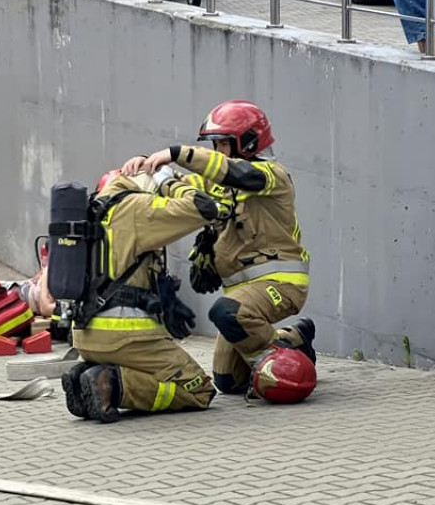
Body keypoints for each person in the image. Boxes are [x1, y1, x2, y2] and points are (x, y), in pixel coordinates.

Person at [123, 100, 317, 402]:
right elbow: (183, 186)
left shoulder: (271, 176)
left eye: (223, 144)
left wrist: (176, 153)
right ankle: (295, 338)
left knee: (224, 311)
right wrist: (150, 166)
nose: (217, 152)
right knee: (227, 380)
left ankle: (277, 365)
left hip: (281, 285)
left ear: (247, 143)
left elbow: (233, 173)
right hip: (242, 294)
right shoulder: (219, 182)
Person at [58, 169, 223, 423]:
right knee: (198, 388)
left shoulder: (94, 210)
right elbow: (203, 208)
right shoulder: (137, 206)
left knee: (144, 368)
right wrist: (167, 180)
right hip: (125, 337)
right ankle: (112, 384)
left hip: (85, 336)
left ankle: (85, 377)